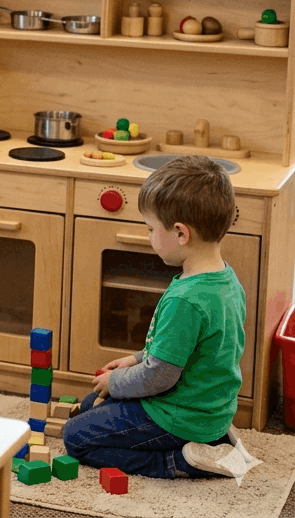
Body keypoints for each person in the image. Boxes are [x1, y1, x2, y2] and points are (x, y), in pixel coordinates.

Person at [62, 156, 257, 479]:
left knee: (77, 437)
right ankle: (213, 436)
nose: (149, 235)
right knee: (89, 403)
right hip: (207, 408)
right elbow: (184, 350)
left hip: (176, 415)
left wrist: (117, 381)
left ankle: (179, 461)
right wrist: (135, 359)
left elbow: (159, 377)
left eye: (151, 228)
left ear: (181, 233)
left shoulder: (186, 299)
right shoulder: (224, 280)